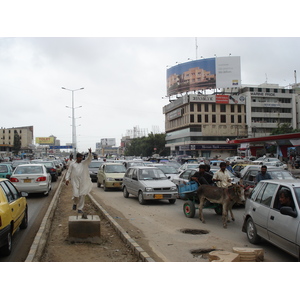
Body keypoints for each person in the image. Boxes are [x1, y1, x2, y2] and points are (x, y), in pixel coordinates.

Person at [65, 148, 93, 213]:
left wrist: (90, 153)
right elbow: (69, 172)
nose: (81, 159)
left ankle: (80, 209)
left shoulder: (83, 163)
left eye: (82, 157)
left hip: (82, 181)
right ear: (77, 158)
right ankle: (75, 203)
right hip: (74, 181)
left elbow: (89, 159)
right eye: (80, 157)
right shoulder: (72, 164)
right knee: (76, 194)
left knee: (82, 195)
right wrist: (67, 179)